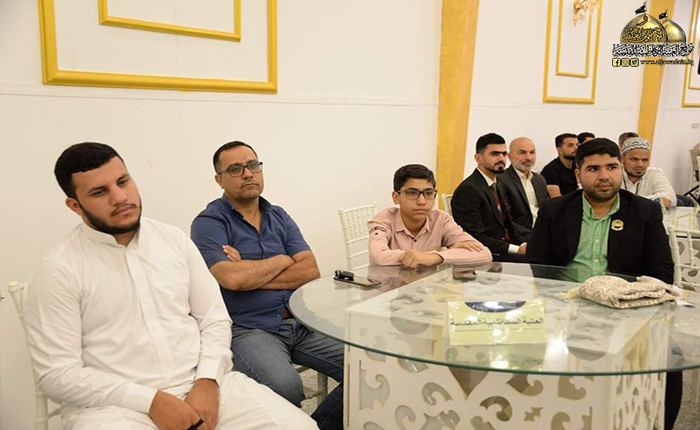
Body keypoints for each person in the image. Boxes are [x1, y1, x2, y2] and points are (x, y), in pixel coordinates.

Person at [24, 142, 316, 430]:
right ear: (75, 206)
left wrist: (208, 379)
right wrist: (151, 401)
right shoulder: (59, 270)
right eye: (100, 192)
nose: (120, 197)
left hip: (205, 385)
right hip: (114, 408)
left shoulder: (173, 240)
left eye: (123, 182)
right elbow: (57, 374)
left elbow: (213, 319)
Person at [526, 137, 680, 429]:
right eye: (593, 169)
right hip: (565, 308)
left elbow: (662, 271)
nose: (604, 176)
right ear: (578, 174)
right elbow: (537, 267)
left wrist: (630, 299)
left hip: (626, 308)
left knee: (671, 358)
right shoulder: (554, 209)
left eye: (611, 167)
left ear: (621, 169)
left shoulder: (644, 211)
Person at [190, 141, 343, 430]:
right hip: (249, 328)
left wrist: (249, 269)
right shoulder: (208, 223)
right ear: (219, 179)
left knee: (366, 368)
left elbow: (310, 270)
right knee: (286, 387)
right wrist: (285, 259)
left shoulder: (279, 215)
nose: (248, 173)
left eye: (253, 165)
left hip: (300, 320)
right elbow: (231, 279)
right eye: (235, 169)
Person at [368, 164, 492, 267]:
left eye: (428, 193)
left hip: (426, 286)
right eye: (412, 193)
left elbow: (484, 254)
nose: (422, 201)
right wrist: (433, 256)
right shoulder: (383, 220)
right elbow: (379, 257)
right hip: (389, 286)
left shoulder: (441, 219)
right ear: (396, 197)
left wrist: (434, 257)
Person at [451, 133, 527, 262]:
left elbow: (508, 224)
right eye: (494, 154)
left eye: (504, 154)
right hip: (488, 255)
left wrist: (523, 244)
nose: (501, 158)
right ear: (478, 158)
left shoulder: (499, 184)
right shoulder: (468, 190)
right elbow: (474, 237)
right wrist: (517, 249)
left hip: (505, 248)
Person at [496, 137, 549, 240]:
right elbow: (506, 220)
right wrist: (534, 239)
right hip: (519, 238)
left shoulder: (539, 180)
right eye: (522, 153)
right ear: (510, 156)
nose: (529, 157)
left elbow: (547, 212)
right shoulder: (501, 180)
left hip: (544, 234)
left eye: (532, 152)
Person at [621, 137, 675, 209]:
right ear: (622, 159)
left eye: (645, 160)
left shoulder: (655, 173)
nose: (640, 164)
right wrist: (655, 201)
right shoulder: (615, 174)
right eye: (634, 159)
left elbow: (671, 198)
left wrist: (628, 200)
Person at [541, 133, 579, 197]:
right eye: (570, 145)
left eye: (577, 145)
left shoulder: (578, 166)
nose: (576, 148)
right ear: (559, 150)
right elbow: (556, 199)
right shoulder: (550, 170)